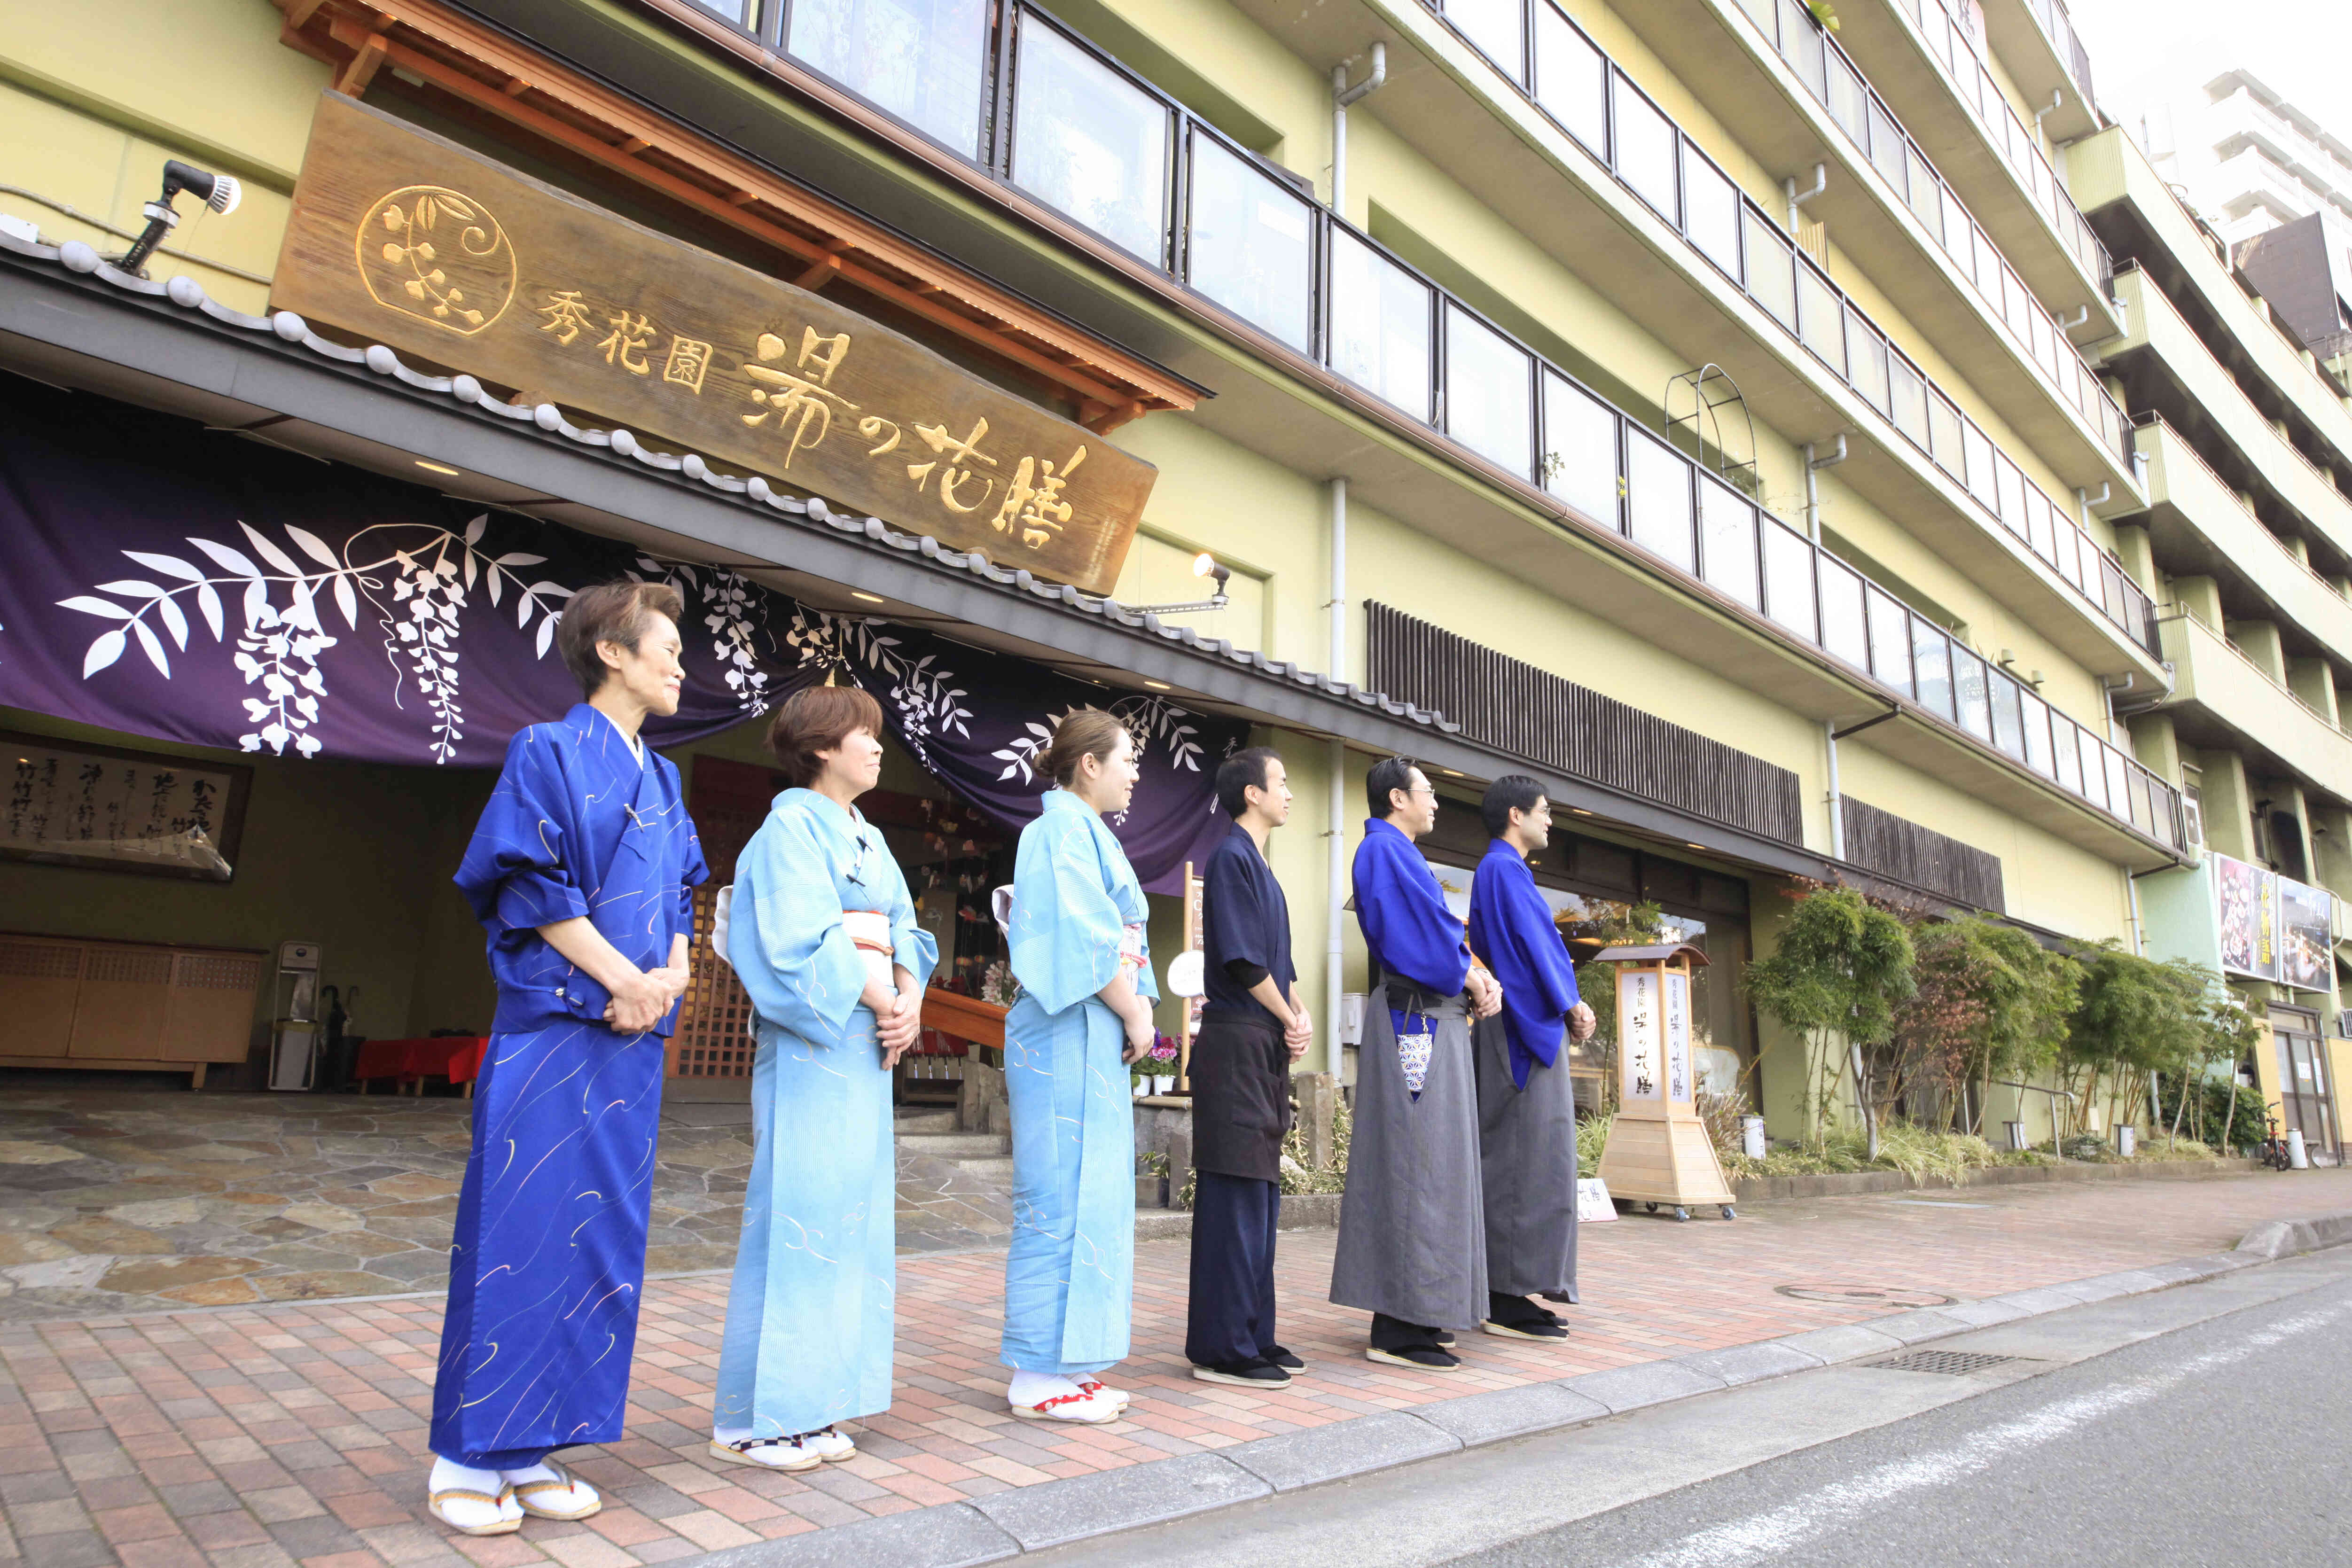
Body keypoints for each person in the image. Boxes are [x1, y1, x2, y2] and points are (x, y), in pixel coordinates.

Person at [426, 582, 707, 1537]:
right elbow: (528, 883)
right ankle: (468, 1454)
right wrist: (623, 980)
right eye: (665, 647)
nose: (680, 663)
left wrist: (669, 972)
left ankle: (536, 1442)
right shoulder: (543, 751)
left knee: (600, 1240)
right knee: (522, 1228)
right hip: (557, 1026)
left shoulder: (663, 779)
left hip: (631, 1037)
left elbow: (682, 895)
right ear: (612, 653)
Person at [708, 685, 938, 1470]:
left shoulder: (868, 836)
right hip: (815, 1038)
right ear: (818, 749)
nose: (877, 747)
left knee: (849, 1215)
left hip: (864, 1041)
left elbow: (906, 926)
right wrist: (883, 995)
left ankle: (815, 1403)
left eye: (877, 734)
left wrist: (909, 997)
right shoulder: (787, 829)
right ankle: (758, 1416)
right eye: (862, 734)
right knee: (798, 1211)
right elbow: (798, 931)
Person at [1000, 709, 1159, 1423]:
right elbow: (1082, 935)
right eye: (1125, 758)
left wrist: (1134, 1007)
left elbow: (1114, 937)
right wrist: (1133, 1008)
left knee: (1090, 1192)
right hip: (1068, 1024)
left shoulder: (1083, 831)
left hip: (1093, 1023)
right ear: (1088, 763)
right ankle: (1035, 1372)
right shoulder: (1056, 829)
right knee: (1057, 1194)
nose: (1133, 772)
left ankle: (1073, 1363)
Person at [1331, 757, 1503, 1371]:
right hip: (1414, 1020)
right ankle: (1396, 1322)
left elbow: (1434, 932)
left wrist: (1469, 975)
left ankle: (1420, 1306)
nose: (1435, 804)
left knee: (1434, 1159)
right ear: (1398, 798)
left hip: (1427, 1017)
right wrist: (1469, 973)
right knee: (1414, 1158)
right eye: (1428, 793)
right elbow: (1418, 939)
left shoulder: (1397, 854)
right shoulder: (1383, 852)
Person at [1186, 747, 1313, 1388]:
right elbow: (1241, 961)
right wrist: (1287, 1017)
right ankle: (1222, 1347)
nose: (1289, 792)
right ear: (1252, 795)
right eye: (1282, 781)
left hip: (1261, 1045)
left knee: (1260, 1195)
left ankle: (1254, 1334)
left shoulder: (1261, 865)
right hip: (1236, 1042)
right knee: (1235, 1194)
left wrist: (1300, 1012)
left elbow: (1279, 966)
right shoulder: (1230, 858)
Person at [1466, 775, 1597, 1342]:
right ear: (1516, 815)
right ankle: (1503, 1294)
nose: (1551, 820)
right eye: (1544, 811)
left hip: (1518, 1031)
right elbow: (1535, 948)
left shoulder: (1501, 870)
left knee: (1530, 1161)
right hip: (1520, 1037)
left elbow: (1531, 947)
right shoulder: (1501, 869)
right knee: (1522, 1161)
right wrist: (1570, 1001)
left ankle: (1513, 1289)